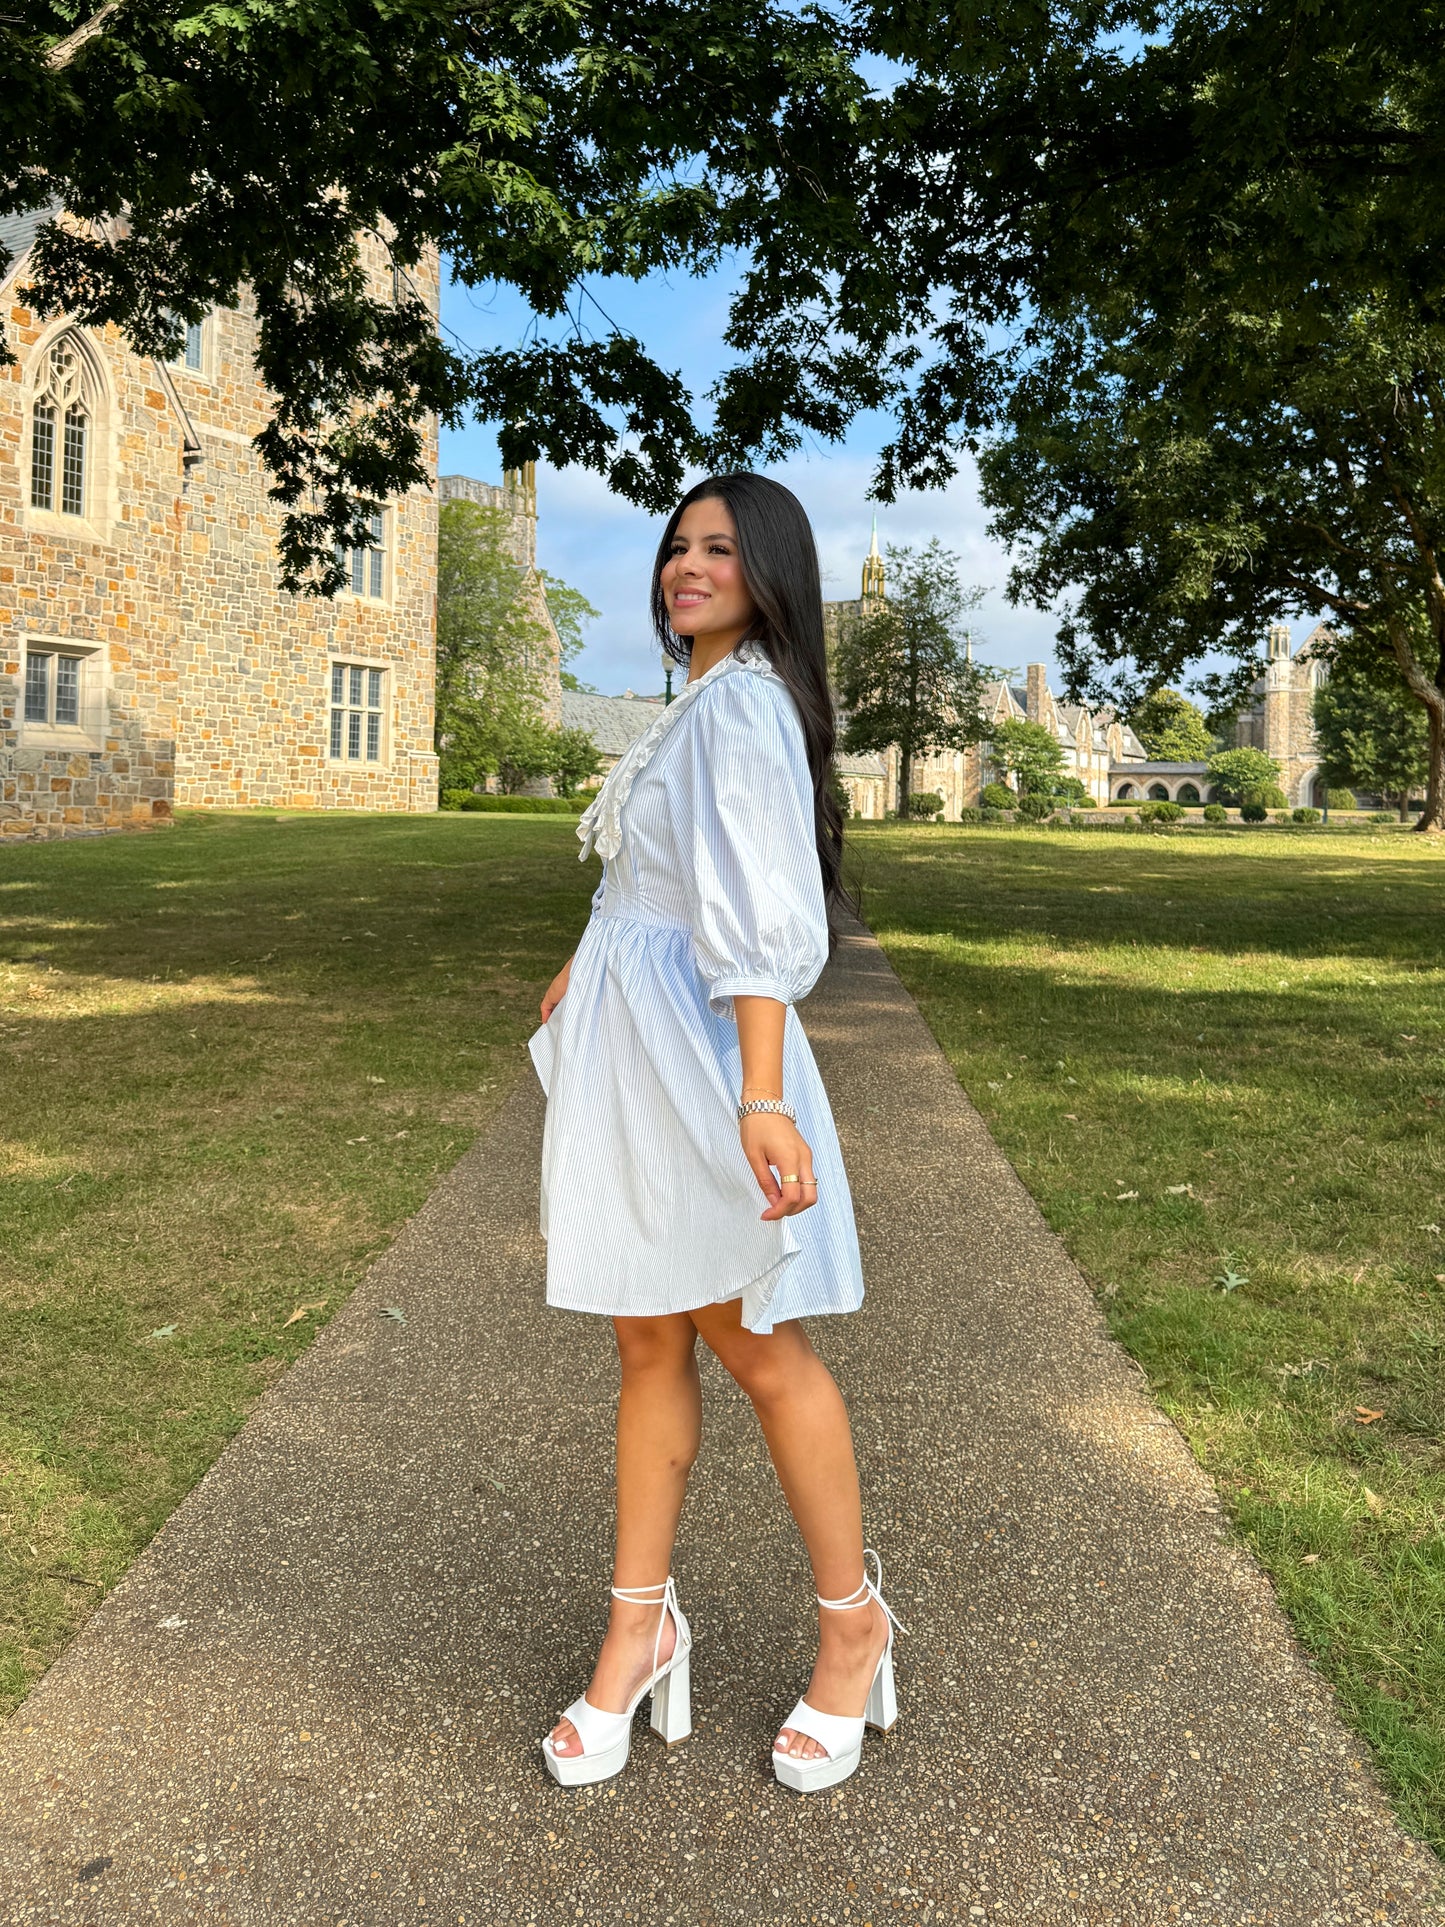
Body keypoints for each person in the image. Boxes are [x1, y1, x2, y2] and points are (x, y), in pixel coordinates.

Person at [527, 473, 903, 1794]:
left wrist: (758, 1098)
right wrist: (585, 968)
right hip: (632, 1044)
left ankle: (850, 1624)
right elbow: (654, 883)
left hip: (703, 1060)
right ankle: (639, 1623)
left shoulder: (742, 712)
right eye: (677, 546)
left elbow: (754, 919)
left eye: (720, 550)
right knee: (643, 1334)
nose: (688, 566)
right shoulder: (688, 706)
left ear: (769, 575)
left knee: (755, 1344)